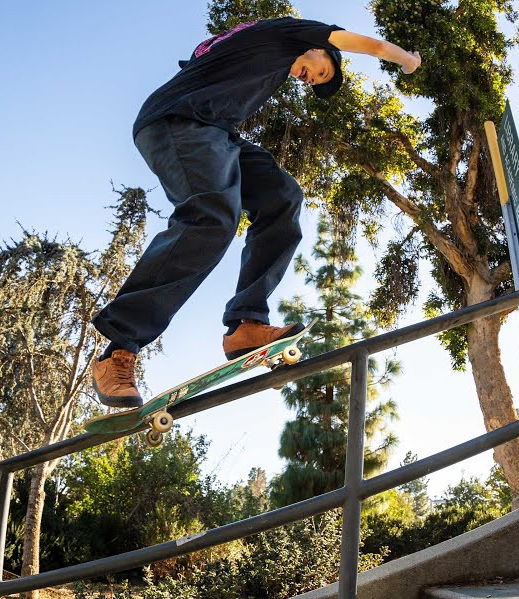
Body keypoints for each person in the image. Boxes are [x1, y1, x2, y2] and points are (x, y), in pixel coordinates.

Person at [91, 17, 421, 408]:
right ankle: (120, 346)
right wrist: (407, 59)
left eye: (315, 81)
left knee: (282, 197)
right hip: (179, 122)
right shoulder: (288, 32)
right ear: (318, 46)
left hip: (216, 133)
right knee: (212, 217)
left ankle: (246, 324)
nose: (311, 79)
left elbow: (209, 54)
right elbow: (373, 47)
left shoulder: (260, 54)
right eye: (321, 71)